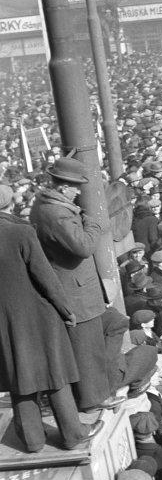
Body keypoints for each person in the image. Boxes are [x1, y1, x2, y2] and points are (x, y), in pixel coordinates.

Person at [0, 184, 103, 452]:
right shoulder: (20, 232)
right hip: (37, 315)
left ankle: (32, 441)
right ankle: (72, 434)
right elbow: (44, 276)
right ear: (10, 204)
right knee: (56, 374)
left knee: (19, 377)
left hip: (3, 323)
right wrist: (66, 309)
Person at [29, 158, 122, 412]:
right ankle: (92, 400)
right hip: (76, 291)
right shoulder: (57, 214)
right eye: (75, 187)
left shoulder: (48, 204)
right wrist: (92, 223)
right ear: (62, 187)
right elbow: (83, 246)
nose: (79, 191)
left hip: (74, 286)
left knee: (92, 341)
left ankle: (93, 394)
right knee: (86, 348)